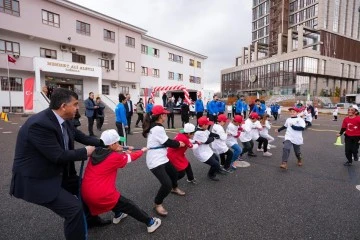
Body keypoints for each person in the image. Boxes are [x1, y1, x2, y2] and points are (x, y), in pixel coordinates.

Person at [10, 88, 109, 240]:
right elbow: (57, 156)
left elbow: (81, 136)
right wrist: (84, 152)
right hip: (39, 179)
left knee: (88, 189)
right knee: (73, 209)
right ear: (63, 106)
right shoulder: (39, 124)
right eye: (75, 104)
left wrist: (106, 144)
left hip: (60, 172)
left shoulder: (65, 120)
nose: (77, 108)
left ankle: (90, 221)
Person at [81, 129, 161, 233]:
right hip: (101, 194)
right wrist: (142, 150)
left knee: (113, 203)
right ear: (112, 144)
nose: (119, 144)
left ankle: (118, 214)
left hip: (86, 192)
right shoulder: (114, 157)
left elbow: (113, 151)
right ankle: (150, 222)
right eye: (117, 142)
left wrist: (124, 148)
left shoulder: (97, 151)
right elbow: (131, 157)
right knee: (128, 205)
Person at [142, 105, 186, 216]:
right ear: (161, 116)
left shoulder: (155, 126)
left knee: (174, 173)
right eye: (165, 113)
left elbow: (164, 141)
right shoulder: (157, 128)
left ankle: (174, 188)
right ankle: (158, 203)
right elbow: (167, 142)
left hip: (162, 157)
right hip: (155, 161)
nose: (166, 115)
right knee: (166, 184)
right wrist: (179, 143)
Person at [192, 116, 224, 181]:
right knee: (215, 164)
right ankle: (211, 175)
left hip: (206, 149)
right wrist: (214, 138)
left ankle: (216, 169)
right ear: (203, 125)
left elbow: (210, 134)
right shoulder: (198, 133)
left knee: (216, 159)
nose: (209, 125)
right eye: (207, 124)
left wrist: (217, 135)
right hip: (201, 152)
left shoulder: (204, 129)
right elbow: (207, 141)